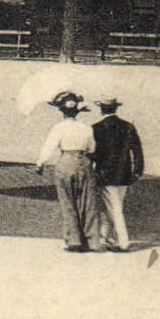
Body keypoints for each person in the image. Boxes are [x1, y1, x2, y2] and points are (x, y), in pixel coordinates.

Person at [35, 90, 107, 252]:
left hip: (66, 160)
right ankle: (92, 240)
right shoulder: (86, 128)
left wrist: (40, 163)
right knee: (88, 202)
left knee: (68, 201)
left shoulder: (58, 128)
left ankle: (74, 240)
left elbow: (49, 147)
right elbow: (92, 148)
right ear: (78, 111)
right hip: (84, 161)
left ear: (61, 111)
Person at [91, 96, 145, 252]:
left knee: (113, 208)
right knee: (114, 205)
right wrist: (137, 171)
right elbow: (137, 151)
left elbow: (93, 153)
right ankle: (105, 237)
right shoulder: (128, 127)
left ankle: (122, 241)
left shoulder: (96, 128)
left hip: (105, 175)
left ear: (101, 109)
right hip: (124, 174)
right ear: (116, 108)